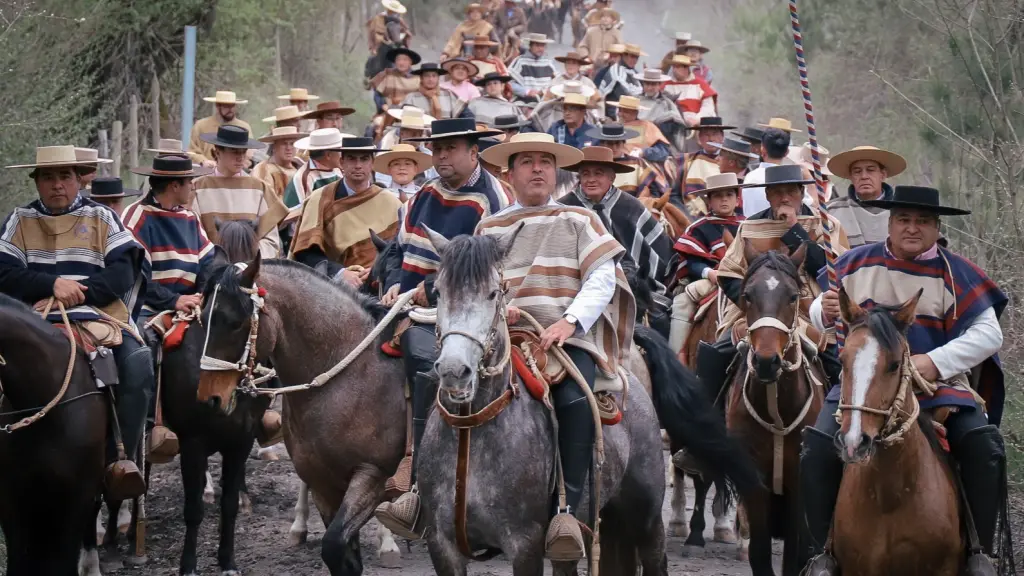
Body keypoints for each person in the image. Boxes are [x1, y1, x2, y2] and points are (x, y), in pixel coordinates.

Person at [803, 186, 1006, 574]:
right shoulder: (854, 263)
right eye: (904, 220)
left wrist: (935, 361)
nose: (912, 228)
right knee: (815, 447)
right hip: (863, 387)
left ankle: (979, 552)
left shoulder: (955, 272)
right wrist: (823, 310)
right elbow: (821, 315)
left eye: (923, 221)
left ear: (936, 227)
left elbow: (989, 334)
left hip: (936, 388)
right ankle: (821, 552)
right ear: (890, 224)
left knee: (983, 444)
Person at [476, 133, 632, 561]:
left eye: (546, 161)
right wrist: (498, 311)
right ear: (510, 173)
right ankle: (428, 493)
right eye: (527, 161)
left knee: (574, 397)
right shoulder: (489, 227)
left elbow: (602, 276)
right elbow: (479, 286)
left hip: (564, 336)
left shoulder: (579, 219)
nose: (538, 169)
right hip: (501, 336)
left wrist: (570, 320)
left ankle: (567, 510)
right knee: (449, 384)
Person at [373, 118, 512, 539]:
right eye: (437, 149)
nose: (441, 157)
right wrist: (396, 279)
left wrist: (428, 292)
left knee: (424, 358)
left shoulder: (491, 200)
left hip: (456, 310)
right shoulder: (422, 194)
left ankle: (415, 476)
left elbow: (481, 271)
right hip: (403, 300)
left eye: (451, 149)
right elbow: (398, 246)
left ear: (474, 152)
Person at [0, 145, 151, 498]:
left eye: (65, 177)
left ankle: (120, 458)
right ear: (36, 182)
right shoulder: (18, 221)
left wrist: (82, 292)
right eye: (48, 177)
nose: (57, 185)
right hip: (32, 318)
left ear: (79, 180)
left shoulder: (102, 217)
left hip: (98, 315)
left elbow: (124, 269)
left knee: (139, 364)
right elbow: (3, 272)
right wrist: (50, 284)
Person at [698, 165, 849, 401]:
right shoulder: (748, 227)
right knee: (715, 355)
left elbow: (832, 271)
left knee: (838, 360)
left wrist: (793, 229)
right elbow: (729, 274)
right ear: (767, 195)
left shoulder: (826, 226)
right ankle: (708, 420)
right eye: (777, 192)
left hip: (812, 312)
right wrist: (753, 302)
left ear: (802, 192)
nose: (785, 198)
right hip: (755, 311)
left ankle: (838, 413)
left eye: (791, 191)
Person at [560, 145, 675, 299]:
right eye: (585, 174)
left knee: (659, 315)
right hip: (576, 285)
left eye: (598, 173)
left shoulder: (630, 205)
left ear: (612, 177)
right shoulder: (565, 207)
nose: (591, 179)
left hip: (632, 285)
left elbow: (661, 249)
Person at [290, 137, 403, 282]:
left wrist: (377, 270)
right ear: (341, 162)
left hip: (380, 285)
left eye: (364, 159)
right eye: (351, 159)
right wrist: (339, 273)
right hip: (331, 288)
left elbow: (400, 251)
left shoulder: (392, 203)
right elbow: (304, 252)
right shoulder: (319, 199)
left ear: (372, 163)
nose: (358, 165)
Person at [669, 172, 744, 359]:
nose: (724, 200)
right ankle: (676, 356)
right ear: (709, 201)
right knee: (682, 301)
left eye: (729, 195)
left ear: (737, 198)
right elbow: (691, 262)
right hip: (710, 279)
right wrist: (709, 273)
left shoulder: (749, 225)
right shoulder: (698, 227)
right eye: (718, 196)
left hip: (745, 278)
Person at [191, 126, 288, 258]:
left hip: (250, 271)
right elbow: (193, 238)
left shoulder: (259, 188)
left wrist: (247, 261)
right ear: (218, 151)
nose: (241, 157)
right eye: (234, 151)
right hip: (211, 270)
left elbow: (271, 242)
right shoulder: (197, 188)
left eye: (243, 152)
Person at [824, 145, 907, 247]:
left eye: (870, 170)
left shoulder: (903, 210)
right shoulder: (830, 211)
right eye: (857, 172)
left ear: (883, 175)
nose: (864, 176)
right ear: (850, 177)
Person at [587, 123, 667, 198]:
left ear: (623, 144)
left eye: (618, 143)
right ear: (602, 145)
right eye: (610, 143)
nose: (614, 148)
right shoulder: (593, 165)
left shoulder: (638, 164)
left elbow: (654, 192)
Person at [741, 120, 799, 216]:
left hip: (750, 230)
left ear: (762, 149)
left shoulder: (750, 177)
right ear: (787, 152)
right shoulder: (793, 179)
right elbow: (812, 206)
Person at [284, 128, 348, 212]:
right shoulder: (304, 178)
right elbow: (293, 214)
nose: (343, 155)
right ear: (328, 155)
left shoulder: (339, 170)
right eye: (340, 151)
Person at [188, 91, 251, 167]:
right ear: (217, 106)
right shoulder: (200, 125)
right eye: (226, 106)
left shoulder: (244, 127)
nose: (231, 109)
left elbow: (249, 153)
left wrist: (244, 163)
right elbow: (192, 152)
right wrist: (203, 161)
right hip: (206, 172)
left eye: (233, 106)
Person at [607, 96, 672, 164]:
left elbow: (663, 152)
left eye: (626, 111)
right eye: (620, 110)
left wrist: (644, 152)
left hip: (640, 167)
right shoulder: (612, 127)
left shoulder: (647, 126)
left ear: (635, 113)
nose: (620, 114)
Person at [251, 126, 307, 201]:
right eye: (284, 144)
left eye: (292, 143)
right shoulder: (263, 170)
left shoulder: (300, 168)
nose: (288, 148)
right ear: (274, 147)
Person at [637, 68, 686, 150]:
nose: (649, 88)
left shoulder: (667, 104)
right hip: (634, 140)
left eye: (653, 85)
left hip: (659, 144)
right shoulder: (634, 100)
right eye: (647, 84)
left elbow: (674, 128)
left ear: (659, 85)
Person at [663, 54, 716, 127]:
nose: (674, 70)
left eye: (678, 67)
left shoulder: (701, 85)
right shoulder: (665, 85)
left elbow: (708, 108)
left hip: (696, 127)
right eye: (674, 67)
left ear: (686, 68)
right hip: (671, 126)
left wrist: (697, 120)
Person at [401, 62, 468, 120]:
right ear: (421, 78)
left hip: (446, 133)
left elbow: (465, 114)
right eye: (427, 76)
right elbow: (404, 119)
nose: (430, 79)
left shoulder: (448, 94)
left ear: (438, 78)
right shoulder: (411, 97)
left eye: (434, 76)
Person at [598, 43, 643, 119]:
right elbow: (623, 95)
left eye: (636, 57)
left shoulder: (635, 73)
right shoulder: (616, 71)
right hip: (616, 112)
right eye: (632, 56)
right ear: (624, 55)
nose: (634, 60)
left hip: (633, 110)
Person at [508, 33, 557, 102]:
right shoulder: (521, 61)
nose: (540, 48)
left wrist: (547, 91)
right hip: (524, 101)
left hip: (544, 101)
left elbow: (557, 81)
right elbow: (509, 83)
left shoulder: (548, 62)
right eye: (537, 45)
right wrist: (527, 91)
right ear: (530, 46)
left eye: (542, 46)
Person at [371, 47, 422, 112]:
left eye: (405, 60)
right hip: (387, 111)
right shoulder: (386, 74)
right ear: (395, 61)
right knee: (378, 121)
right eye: (398, 59)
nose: (401, 63)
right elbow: (378, 94)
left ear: (411, 62)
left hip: (410, 113)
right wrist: (383, 105)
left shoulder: (418, 79)